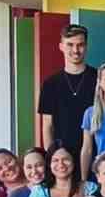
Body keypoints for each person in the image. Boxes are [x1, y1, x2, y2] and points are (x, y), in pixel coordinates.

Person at [38, 23, 96, 154]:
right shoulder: (50, 84)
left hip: (95, 154)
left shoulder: (99, 79)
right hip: (63, 157)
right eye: (70, 45)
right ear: (61, 47)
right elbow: (47, 126)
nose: (75, 50)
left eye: (80, 45)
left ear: (86, 47)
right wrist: (51, 157)